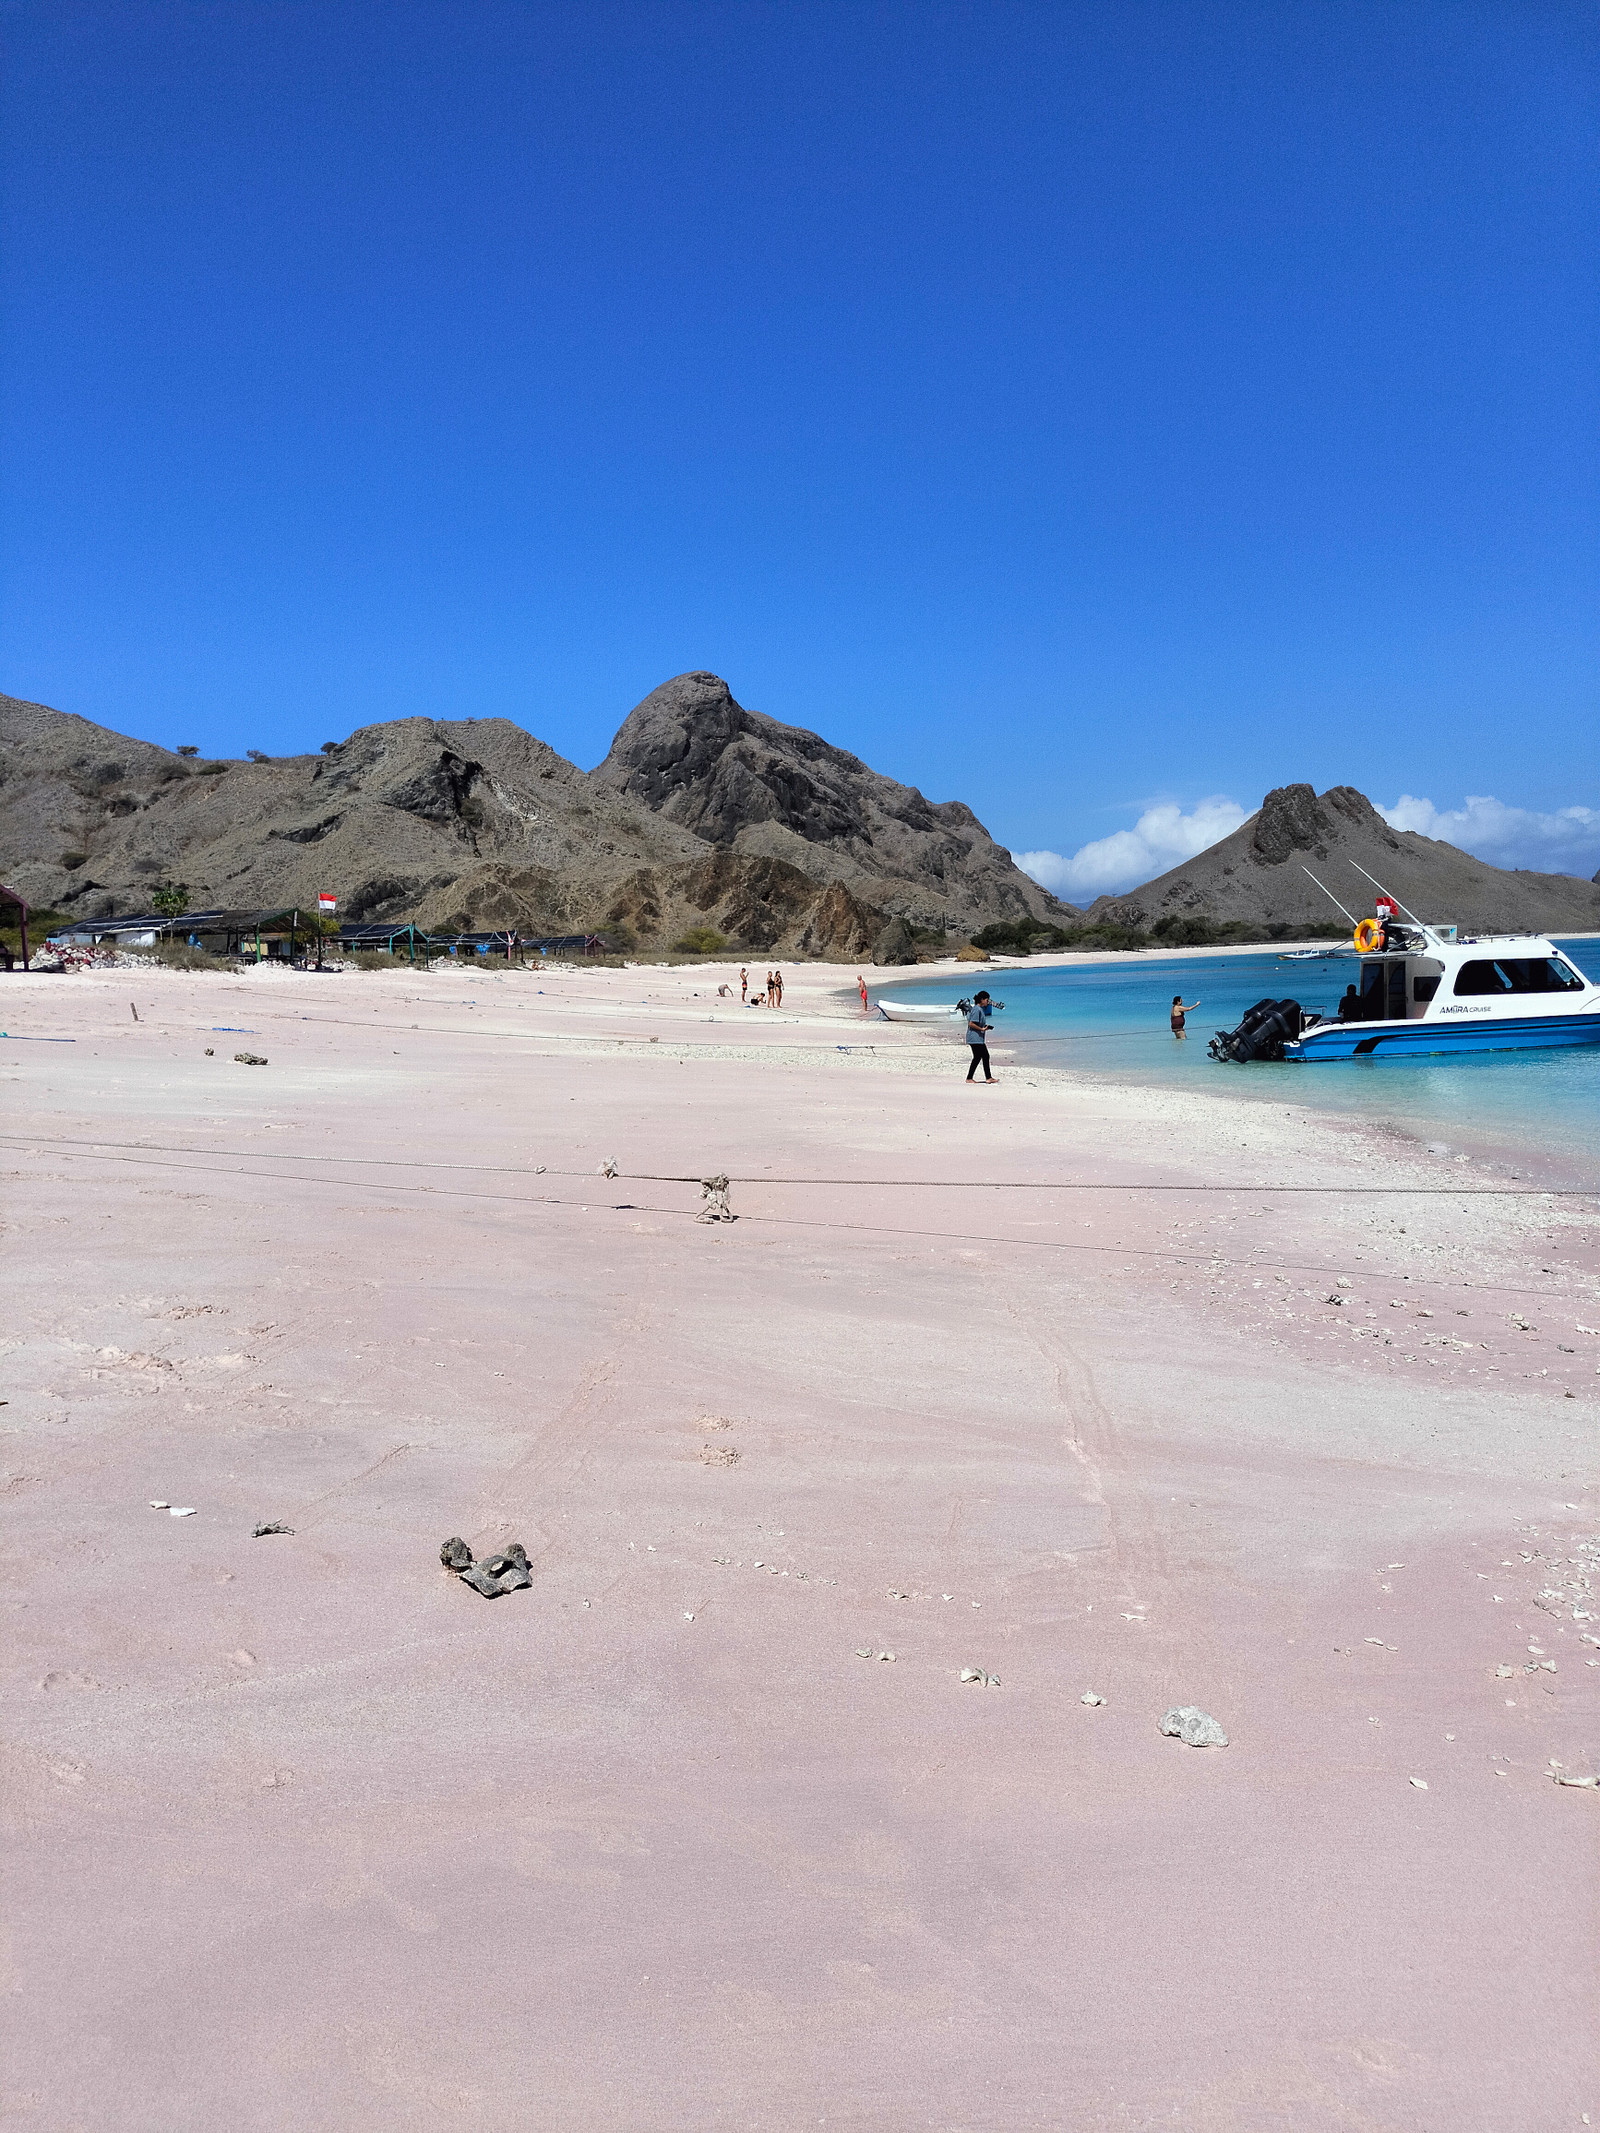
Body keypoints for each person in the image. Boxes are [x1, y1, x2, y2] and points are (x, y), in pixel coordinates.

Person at [966, 990, 997, 1082]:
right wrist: (982, 1029)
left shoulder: (979, 1009)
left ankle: (971, 1078)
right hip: (974, 1038)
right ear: (982, 999)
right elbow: (971, 1023)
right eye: (987, 1000)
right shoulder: (977, 1009)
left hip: (977, 1038)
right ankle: (986, 1078)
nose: (988, 1002)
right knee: (984, 1056)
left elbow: (977, 1023)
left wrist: (985, 1027)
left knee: (978, 1057)